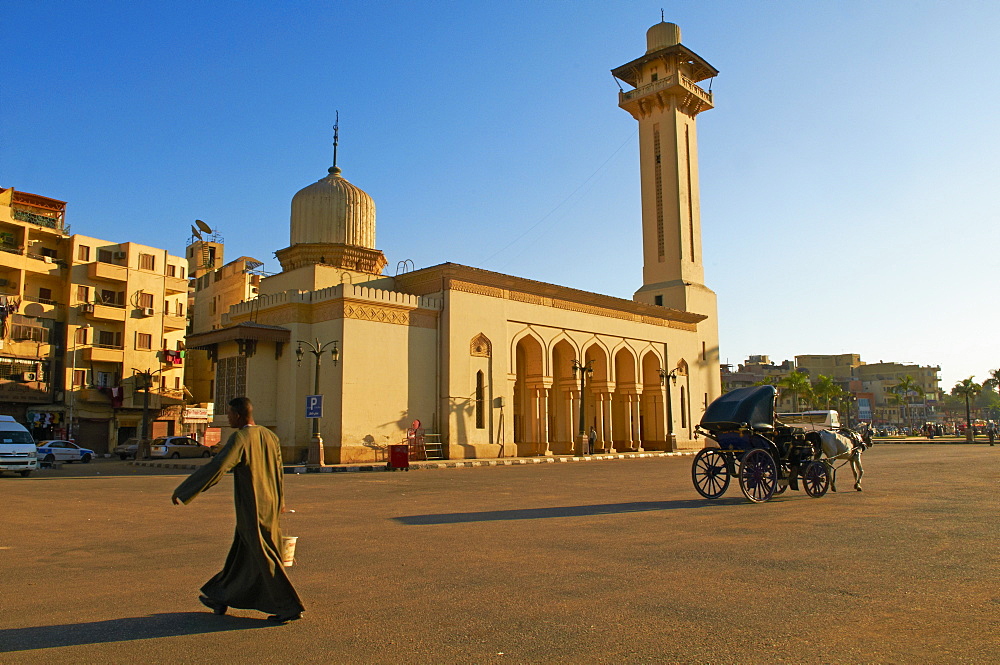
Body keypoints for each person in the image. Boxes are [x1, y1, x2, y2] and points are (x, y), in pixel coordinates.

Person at [171, 397, 304, 623]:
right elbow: (278, 471)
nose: (229, 418)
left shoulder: (241, 438)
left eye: (230, 414)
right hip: (270, 504)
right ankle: (219, 596)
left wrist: (186, 490)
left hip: (252, 506)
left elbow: (219, 466)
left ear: (239, 415)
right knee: (241, 555)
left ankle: (288, 605)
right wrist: (280, 501)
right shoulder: (270, 436)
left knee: (264, 555)